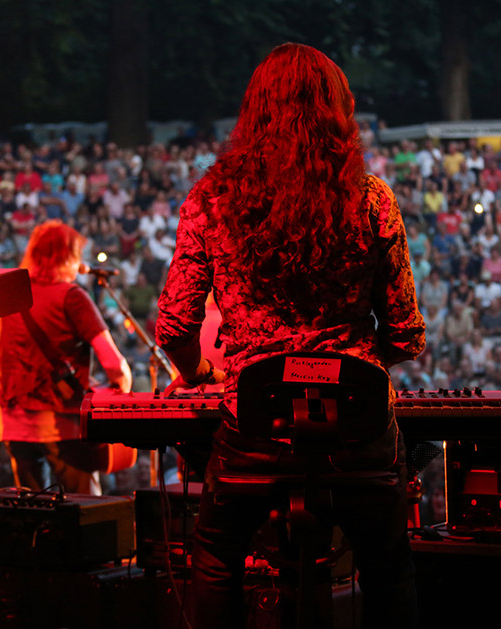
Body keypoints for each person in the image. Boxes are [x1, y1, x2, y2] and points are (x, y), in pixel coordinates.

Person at [154, 44, 425, 628]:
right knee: (387, 561)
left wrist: (204, 373)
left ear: (253, 111)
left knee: (217, 555)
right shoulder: (372, 199)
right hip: (358, 434)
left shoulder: (212, 199)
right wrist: (357, 362)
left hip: (255, 428)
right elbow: (405, 333)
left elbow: (174, 325)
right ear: (338, 110)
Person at [0, 220, 135, 495]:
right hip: (61, 424)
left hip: (13, 423)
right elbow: (115, 365)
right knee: (84, 513)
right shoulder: (71, 296)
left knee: (32, 511)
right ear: (69, 257)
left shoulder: (10, 294)